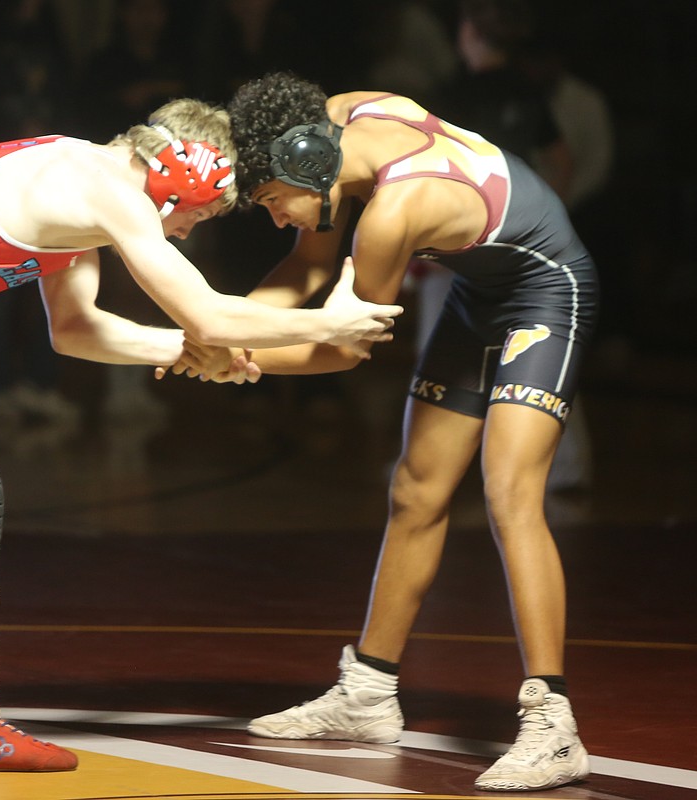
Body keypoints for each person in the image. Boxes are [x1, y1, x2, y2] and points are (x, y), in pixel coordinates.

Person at [0, 96, 403, 774]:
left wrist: (181, 349)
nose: (192, 232)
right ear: (188, 174)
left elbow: (77, 330)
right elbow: (211, 314)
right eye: (204, 213)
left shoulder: (79, 171)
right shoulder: (113, 195)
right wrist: (329, 325)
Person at [177, 72, 598, 791]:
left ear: (305, 166)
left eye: (273, 202)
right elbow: (307, 263)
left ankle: (553, 722)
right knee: (416, 490)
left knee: (509, 493)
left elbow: (345, 347)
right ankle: (368, 693)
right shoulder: (330, 126)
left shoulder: (393, 214)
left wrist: (234, 359)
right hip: (479, 289)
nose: (275, 219)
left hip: (546, 288)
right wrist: (218, 329)